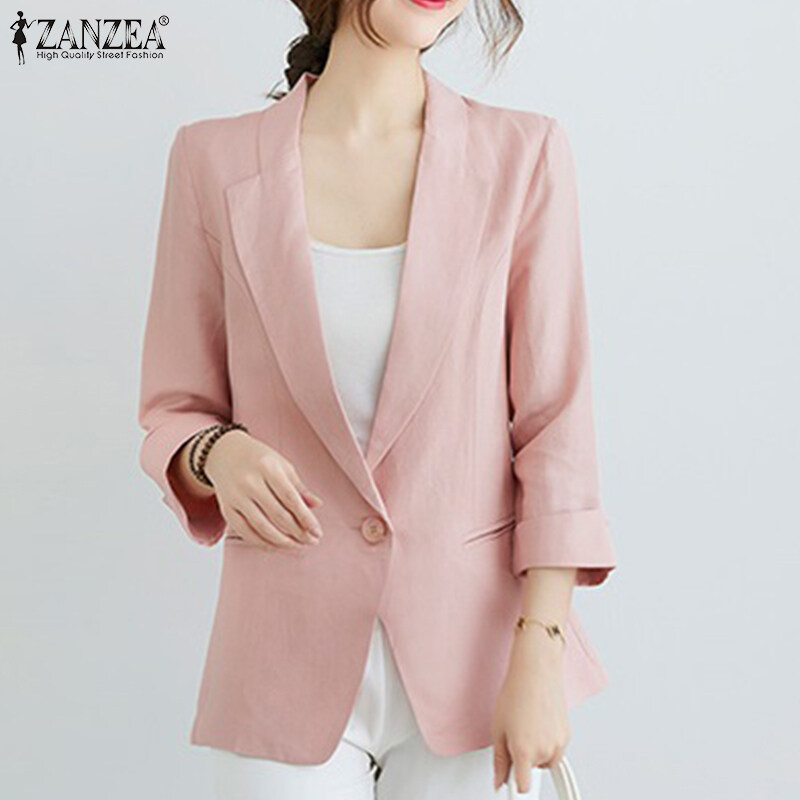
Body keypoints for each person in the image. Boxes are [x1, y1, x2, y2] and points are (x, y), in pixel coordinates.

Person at [137, 0, 618, 797]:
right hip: (279, 659)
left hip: (479, 662)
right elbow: (173, 408)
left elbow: (554, 430)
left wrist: (541, 650)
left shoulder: (523, 156)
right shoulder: (211, 162)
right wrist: (218, 453)